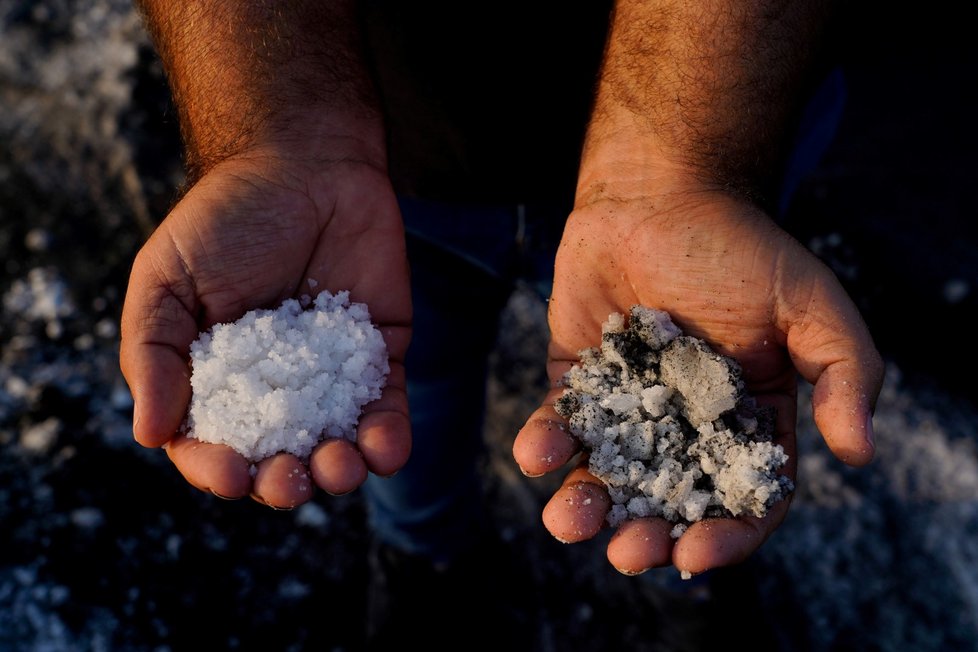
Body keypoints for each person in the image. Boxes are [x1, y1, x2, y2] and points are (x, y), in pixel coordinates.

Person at [119, 0, 883, 625]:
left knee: (417, 384)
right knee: (410, 380)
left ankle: (678, 573)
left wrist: (689, 166)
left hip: (720, 123)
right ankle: (423, 555)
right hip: (376, 167)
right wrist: (271, 129)